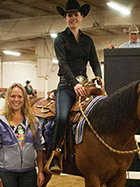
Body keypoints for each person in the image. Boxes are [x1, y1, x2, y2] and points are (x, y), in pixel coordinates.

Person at [47, 0, 102, 174]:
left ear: (81, 17)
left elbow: (94, 60)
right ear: (65, 18)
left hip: (85, 85)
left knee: (101, 111)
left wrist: (99, 76)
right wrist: (74, 83)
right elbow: (62, 64)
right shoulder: (60, 39)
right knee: (62, 118)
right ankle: (54, 154)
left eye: (76, 15)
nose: (73, 18)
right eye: (70, 15)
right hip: (66, 85)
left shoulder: (88, 40)